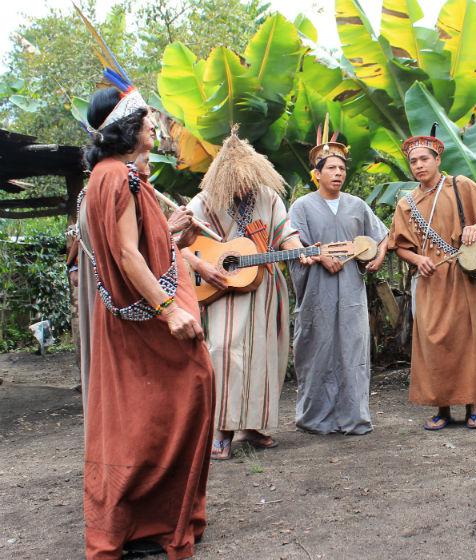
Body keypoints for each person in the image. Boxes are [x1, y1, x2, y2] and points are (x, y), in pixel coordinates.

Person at [80, 86, 214, 558]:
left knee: (145, 414)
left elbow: (140, 244)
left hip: (132, 319)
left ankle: (155, 518)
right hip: (145, 321)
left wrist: (172, 231)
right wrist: (170, 309)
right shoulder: (118, 177)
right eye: (146, 121)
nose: (154, 127)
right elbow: (125, 253)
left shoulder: (113, 175)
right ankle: (146, 521)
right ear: (128, 129)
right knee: (180, 396)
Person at [181, 129, 312, 460]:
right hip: (221, 291)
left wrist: (301, 250)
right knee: (224, 354)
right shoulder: (204, 201)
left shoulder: (268, 196)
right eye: (237, 182)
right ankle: (221, 430)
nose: (243, 188)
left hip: (264, 288)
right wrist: (203, 267)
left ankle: (254, 426)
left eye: (248, 180)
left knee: (264, 357)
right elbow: (178, 247)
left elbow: (286, 235)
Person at [388, 125, 476, 430]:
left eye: (424, 159)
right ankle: (441, 408)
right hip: (430, 281)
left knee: (467, 338)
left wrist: (475, 228)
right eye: (413, 161)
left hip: (462, 276)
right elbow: (399, 246)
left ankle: (472, 407)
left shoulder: (459, 185)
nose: (419, 165)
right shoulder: (406, 204)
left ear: (437, 159)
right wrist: (418, 259)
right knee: (433, 342)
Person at [67, 152, 194, 419]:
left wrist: (176, 241)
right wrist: (168, 229)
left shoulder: (99, 189)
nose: (147, 170)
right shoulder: (113, 187)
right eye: (145, 161)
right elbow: (125, 253)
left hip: (117, 294)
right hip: (121, 294)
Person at [288, 122, 388, 435]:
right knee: (317, 349)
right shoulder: (301, 207)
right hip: (317, 293)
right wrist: (319, 256)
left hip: (351, 292)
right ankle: (315, 418)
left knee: (352, 350)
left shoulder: (357, 205)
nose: (338, 173)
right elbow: (293, 246)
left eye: (342, 168)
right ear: (316, 173)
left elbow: (381, 236)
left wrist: (378, 258)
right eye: (330, 168)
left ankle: (353, 417)